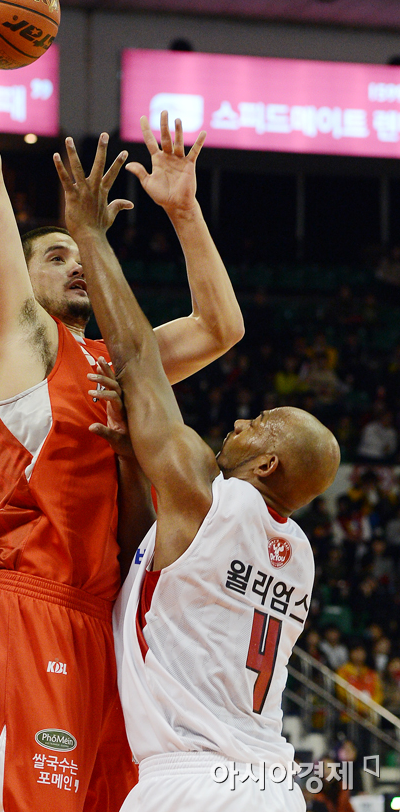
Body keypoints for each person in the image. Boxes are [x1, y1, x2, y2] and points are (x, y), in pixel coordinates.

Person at [0, 0, 244, 812]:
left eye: (78, 255)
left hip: (111, 621)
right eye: (55, 256)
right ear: (21, 282)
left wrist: (183, 212)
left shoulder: (117, 358)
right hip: (32, 607)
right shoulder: (21, 344)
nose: (74, 262)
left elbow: (220, 328)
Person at [57, 136, 341, 812]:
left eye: (259, 422)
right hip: (271, 782)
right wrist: (131, 460)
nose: (241, 422)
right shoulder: (296, 552)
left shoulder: (205, 495)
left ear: (267, 462)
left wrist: (90, 235)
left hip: (193, 781)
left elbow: (134, 359)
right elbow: (164, 570)